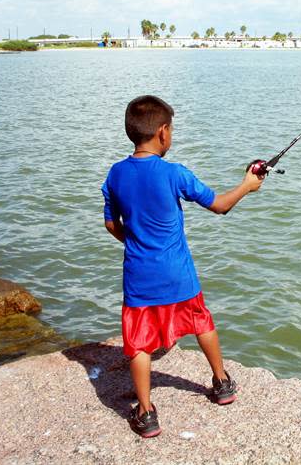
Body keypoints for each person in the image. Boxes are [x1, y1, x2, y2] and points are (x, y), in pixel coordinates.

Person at [102, 94, 263, 438]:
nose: (171, 135)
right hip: (178, 273)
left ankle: (146, 414)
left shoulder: (115, 174)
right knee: (201, 321)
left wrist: (135, 242)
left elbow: (111, 224)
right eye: (171, 129)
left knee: (140, 344)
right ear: (162, 132)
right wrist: (248, 186)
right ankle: (221, 383)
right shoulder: (175, 174)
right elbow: (219, 205)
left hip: (139, 277)